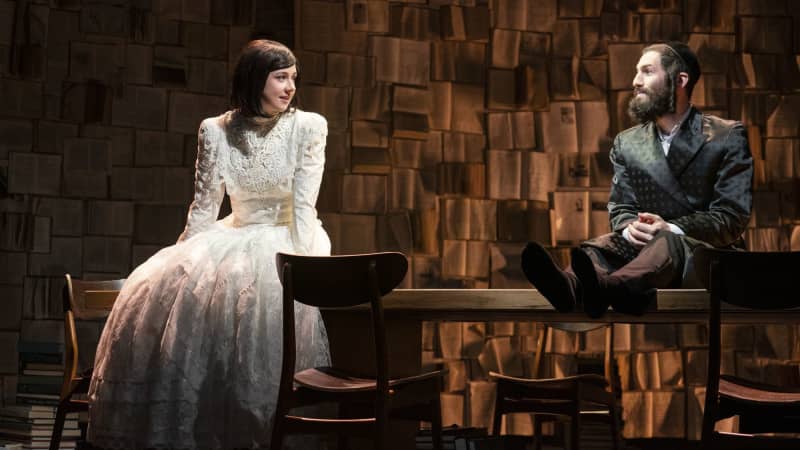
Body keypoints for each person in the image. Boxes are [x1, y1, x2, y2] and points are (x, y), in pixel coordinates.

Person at [87, 40, 331, 448]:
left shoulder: (308, 126)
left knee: (263, 325)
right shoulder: (216, 129)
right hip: (231, 234)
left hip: (283, 236)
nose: (290, 87)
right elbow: (203, 208)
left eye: (293, 78)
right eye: (280, 77)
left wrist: (308, 264)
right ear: (256, 78)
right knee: (184, 302)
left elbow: (304, 205)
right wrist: (182, 264)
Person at [521, 41, 753, 318]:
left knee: (667, 242)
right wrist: (631, 227)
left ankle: (611, 286)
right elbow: (621, 208)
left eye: (646, 71)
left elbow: (732, 216)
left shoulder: (726, 136)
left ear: (680, 80)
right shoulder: (628, 143)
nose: (635, 81)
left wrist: (670, 227)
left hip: (706, 260)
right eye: (636, 72)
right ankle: (568, 286)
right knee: (600, 247)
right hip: (643, 252)